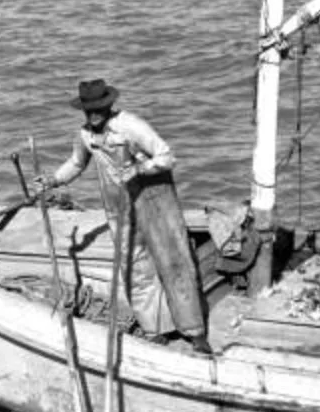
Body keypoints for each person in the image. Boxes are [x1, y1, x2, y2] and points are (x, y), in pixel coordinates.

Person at [35, 78, 212, 354]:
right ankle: (155, 329)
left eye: (98, 109)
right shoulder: (85, 136)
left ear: (108, 106)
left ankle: (195, 332)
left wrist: (140, 169)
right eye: (88, 110)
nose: (93, 115)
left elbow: (167, 156)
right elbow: (76, 163)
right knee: (136, 270)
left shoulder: (130, 126)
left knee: (174, 262)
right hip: (119, 210)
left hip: (154, 202)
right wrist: (53, 180)